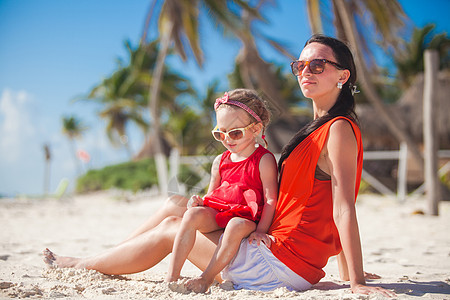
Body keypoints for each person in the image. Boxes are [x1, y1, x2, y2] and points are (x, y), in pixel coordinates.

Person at [43, 34, 395, 297]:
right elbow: (324, 207)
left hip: (279, 264)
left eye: (317, 65)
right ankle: (102, 257)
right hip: (278, 251)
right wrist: (348, 272)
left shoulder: (338, 130)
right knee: (175, 208)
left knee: (171, 228)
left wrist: (357, 281)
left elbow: (344, 207)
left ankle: (83, 263)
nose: (305, 71)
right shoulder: (316, 128)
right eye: (300, 65)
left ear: (342, 76)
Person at [165, 89, 278, 293]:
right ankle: (172, 275)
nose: (227, 139)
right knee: (191, 215)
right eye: (220, 133)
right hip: (220, 213)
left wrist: (262, 230)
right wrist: (200, 203)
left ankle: (206, 278)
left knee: (235, 224)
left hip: (247, 218)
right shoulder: (220, 161)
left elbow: (270, 199)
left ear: (256, 128)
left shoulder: (263, 159)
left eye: (235, 133)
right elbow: (212, 195)